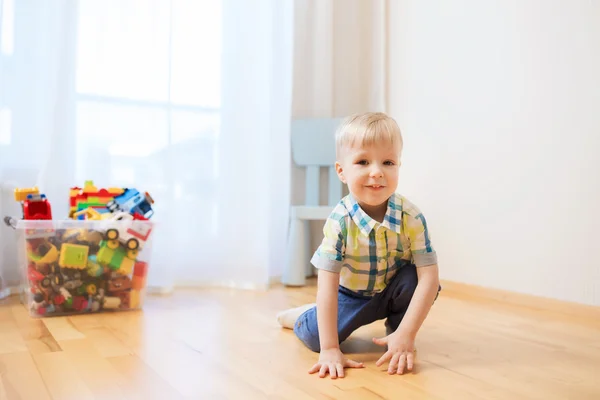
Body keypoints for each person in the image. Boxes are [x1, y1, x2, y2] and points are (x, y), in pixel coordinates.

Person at [276, 112, 440, 379]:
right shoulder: (340, 221)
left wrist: (407, 333)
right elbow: (327, 286)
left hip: (391, 290)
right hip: (350, 296)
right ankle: (304, 316)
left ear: (398, 165)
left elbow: (429, 279)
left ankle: (397, 334)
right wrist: (329, 348)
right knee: (317, 338)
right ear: (342, 171)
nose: (376, 172)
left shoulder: (411, 217)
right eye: (363, 162)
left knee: (414, 277)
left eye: (388, 162)